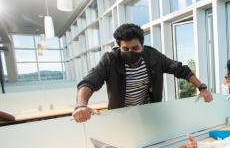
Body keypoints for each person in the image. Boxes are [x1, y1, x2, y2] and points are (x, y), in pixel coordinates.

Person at [72, 23, 212, 123]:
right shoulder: (111, 60)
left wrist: (202, 88)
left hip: (147, 112)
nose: (131, 52)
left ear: (142, 46)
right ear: (119, 47)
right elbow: (89, 82)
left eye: (135, 48)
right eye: (125, 49)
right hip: (121, 115)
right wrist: (81, 105)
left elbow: (181, 70)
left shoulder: (153, 56)